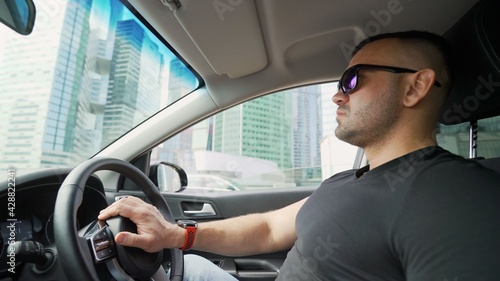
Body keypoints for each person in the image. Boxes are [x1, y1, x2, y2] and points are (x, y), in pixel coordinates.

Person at [98, 30, 500, 280]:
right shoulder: (348, 180)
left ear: (415, 88)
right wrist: (177, 235)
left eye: (354, 79)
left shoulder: (457, 197)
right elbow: (270, 230)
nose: (337, 94)